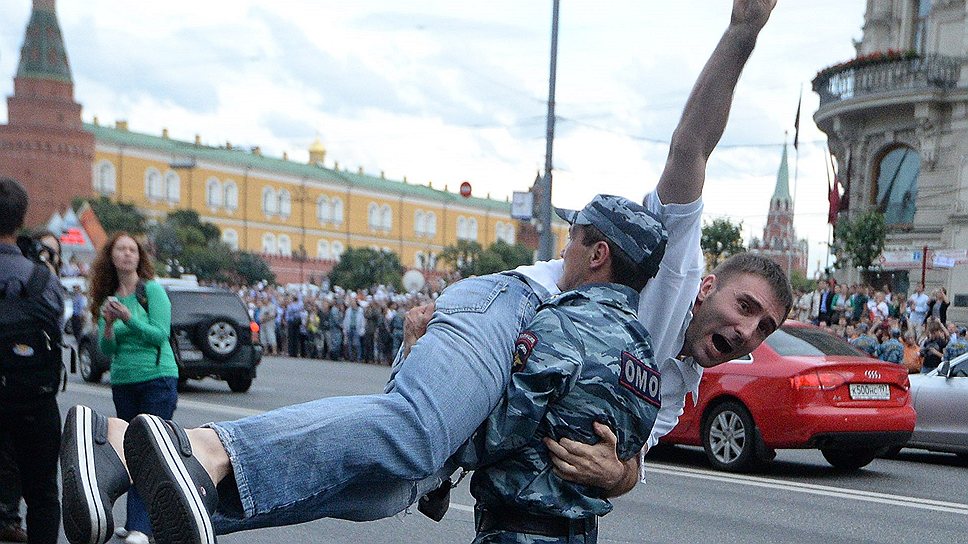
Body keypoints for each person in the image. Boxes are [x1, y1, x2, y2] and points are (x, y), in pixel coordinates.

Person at [60, 1, 788, 542]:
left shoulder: (674, 384)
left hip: (505, 371)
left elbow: (624, 455)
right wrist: (743, 32)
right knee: (415, 437)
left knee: (389, 486)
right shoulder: (670, 261)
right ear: (708, 283)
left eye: (766, 328)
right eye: (747, 304)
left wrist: (619, 474)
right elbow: (692, 145)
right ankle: (169, 445)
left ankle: (158, 508)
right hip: (508, 315)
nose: (749, 330)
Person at [467, 196, 667, 543]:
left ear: (597, 255)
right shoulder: (645, 356)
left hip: (520, 533)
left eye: (573, 237)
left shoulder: (561, 326)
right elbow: (625, 456)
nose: (564, 250)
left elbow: (492, 438)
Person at [73, 232, 179, 544]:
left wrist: (129, 319)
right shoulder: (109, 297)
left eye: (132, 250)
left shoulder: (152, 291)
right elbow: (106, 350)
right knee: (131, 451)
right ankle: (138, 522)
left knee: (150, 452)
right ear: (112, 256)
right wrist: (107, 324)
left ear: (139, 257)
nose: (127, 254)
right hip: (124, 381)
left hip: (157, 378)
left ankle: (142, 528)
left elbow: (159, 334)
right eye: (121, 249)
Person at [0, 177, 65, 544]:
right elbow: (58, 321)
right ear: (21, 220)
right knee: (42, 495)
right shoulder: (41, 277)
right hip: (36, 401)